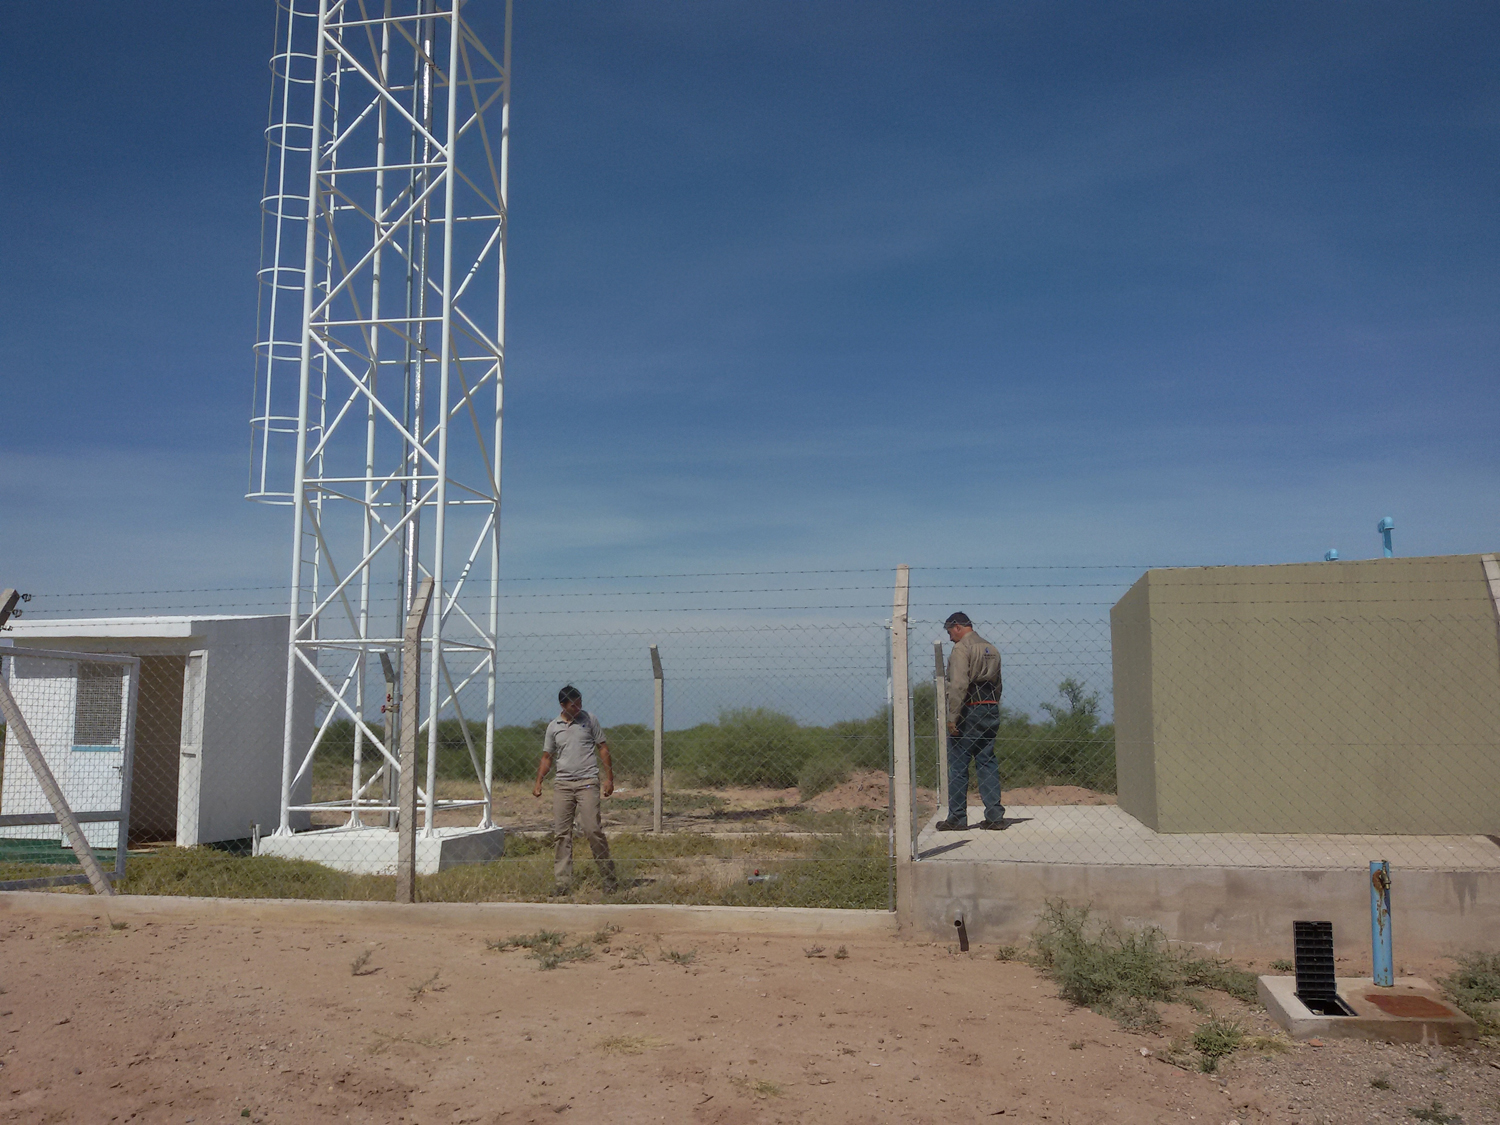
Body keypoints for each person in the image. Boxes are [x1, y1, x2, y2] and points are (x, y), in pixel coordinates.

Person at [533, 684, 618, 895]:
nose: (578, 707)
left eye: (580, 702)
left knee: (592, 829)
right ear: (563, 705)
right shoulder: (553, 727)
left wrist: (609, 778)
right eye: (574, 704)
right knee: (562, 834)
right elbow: (547, 758)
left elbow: (603, 748)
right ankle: (563, 883)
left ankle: (609, 878)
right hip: (562, 785)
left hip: (587, 782)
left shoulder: (590, 720)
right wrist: (538, 782)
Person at [938, 612, 1006, 831]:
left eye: (950, 632)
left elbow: (958, 685)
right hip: (990, 707)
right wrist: (992, 706)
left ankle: (957, 818)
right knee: (987, 761)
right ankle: (995, 816)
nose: (950, 638)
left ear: (957, 627)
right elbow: (998, 684)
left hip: (969, 710)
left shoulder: (962, 649)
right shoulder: (992, 648)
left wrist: (952, 718)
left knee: (958, 764)